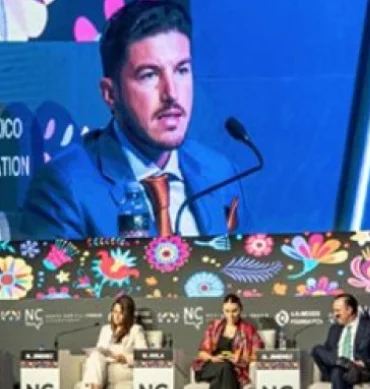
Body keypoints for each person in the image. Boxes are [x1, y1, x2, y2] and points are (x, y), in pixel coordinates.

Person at [21, 0, 251, 240]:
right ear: (110, 94)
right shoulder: (65, 187)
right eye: (149, 75)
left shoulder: (220, 173)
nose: (172, 93)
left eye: (181, 70)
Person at [190, 294, 262, 389]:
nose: (231, 315)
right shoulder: (214, 326)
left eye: (234, 311)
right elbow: (201, 353)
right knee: (224, 367)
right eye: (227, 311)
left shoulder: (248, 330)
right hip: (210, 366)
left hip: (232, 369)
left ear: (240, 310)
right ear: (223, 310)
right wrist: (212, 358)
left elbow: (257, 354)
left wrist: (240, 358)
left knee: (220, 378)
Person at [81, 294, 148, 389]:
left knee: (92, 372)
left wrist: (125, 358)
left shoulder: (136, 330)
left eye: (121, 313)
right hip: (103, 365)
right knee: (95, 357)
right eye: (114, 312)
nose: (116, 316)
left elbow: (144, 356)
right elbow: (100, 350)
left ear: (127, 314)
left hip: (122, 367)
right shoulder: (106, 329)